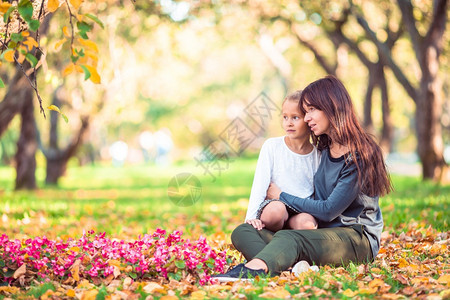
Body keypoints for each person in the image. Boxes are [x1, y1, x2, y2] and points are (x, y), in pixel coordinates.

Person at [214, 75, 392, 281]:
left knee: (290, 238)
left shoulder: (361, 153)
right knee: (243, 232)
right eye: (305, 112)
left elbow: (328, 210)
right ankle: (293, 270)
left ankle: (252, 270)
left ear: (331, 106)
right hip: (322, 236)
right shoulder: (325, 148)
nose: (306, 118)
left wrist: (281, 195)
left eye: (311, 110)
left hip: (356, 238)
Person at [245, 90, 320, 232]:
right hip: (275, 205)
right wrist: (251, 216)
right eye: (285, 117)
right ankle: (271, 236)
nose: (289, 123)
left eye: (295, 118)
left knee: (307, 224)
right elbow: (259, 185)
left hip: (301, 209)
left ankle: (289, 241)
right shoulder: (272, 146)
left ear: (308, 120)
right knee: (276, 211)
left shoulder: (317, 155)